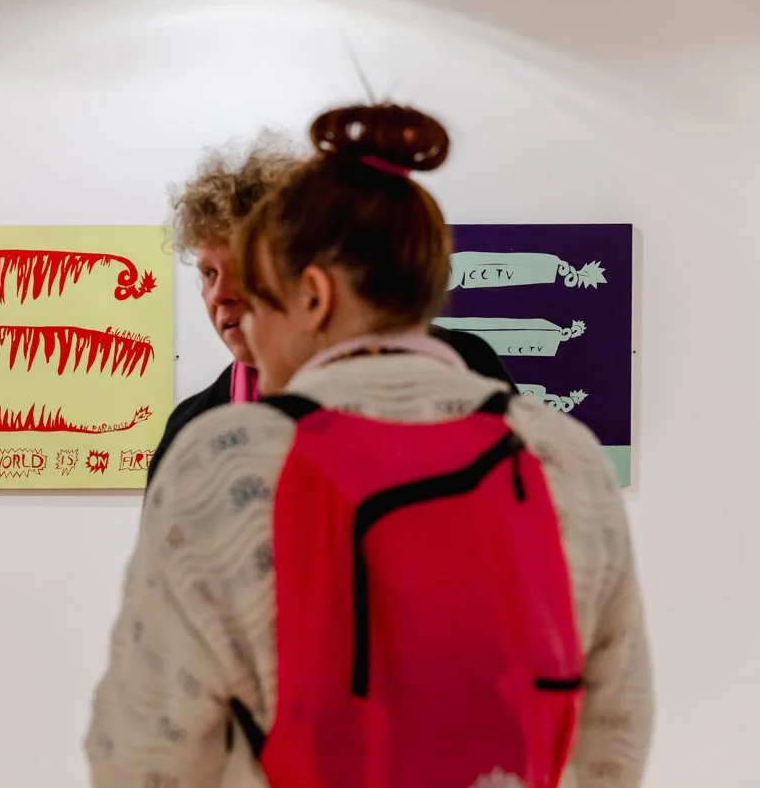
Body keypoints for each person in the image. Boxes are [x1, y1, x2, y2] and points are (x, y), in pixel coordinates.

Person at [86, 104, 652, 787]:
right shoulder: (568, 453)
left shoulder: (220, 457)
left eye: (258, 291)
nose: (236, 310)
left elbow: (147, 748)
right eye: (208, 277)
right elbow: (614, 722)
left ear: (314, 294)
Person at [147, 133, 514, 482]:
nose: (221, 293)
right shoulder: (189, 431)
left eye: (245, 269)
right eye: (209, 274)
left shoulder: (461, 362)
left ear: (310, 277)